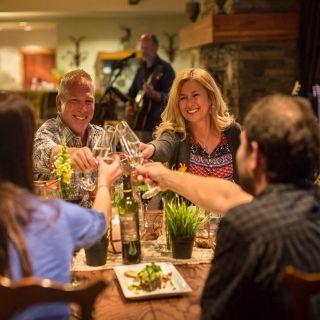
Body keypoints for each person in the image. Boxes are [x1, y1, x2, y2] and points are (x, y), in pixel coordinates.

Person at [137, 94, 320, 319]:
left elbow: (215, 312)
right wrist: (165, 177)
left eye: (241, 147)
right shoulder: (299, 207)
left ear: (255, 157)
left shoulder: (244, 226)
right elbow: (226, 195)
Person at [0, 94, 122, 319]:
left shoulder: (100, 134)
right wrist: (103, 183)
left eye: (88, 101)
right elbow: (101, 222)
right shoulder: (53, 216)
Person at [141, 68, 241, 183]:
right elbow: (163, 145)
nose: (189, 103)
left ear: (211, 98)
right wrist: (151, 148)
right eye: (183, 98)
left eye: (195, 95)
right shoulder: (176, 135)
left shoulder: (232, 132)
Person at [33, 69, 103, 202]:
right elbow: (39, 153)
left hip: (95, 219)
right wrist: (69, 154)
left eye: (88, 101)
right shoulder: (48, 131)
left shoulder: (101, 135)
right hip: (56, 220)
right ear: (59, 103)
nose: (83, 109)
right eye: (74, 100)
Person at [125, 32, 175, 142]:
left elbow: (172, 98)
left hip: (156, 126)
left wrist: (155, 95)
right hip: (137, 123)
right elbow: (131, 93)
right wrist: (129, 105)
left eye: (148, 48)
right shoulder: (140, 69)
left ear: (156, 48)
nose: (144, 51)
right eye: (142, 48)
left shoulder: (166, 69)